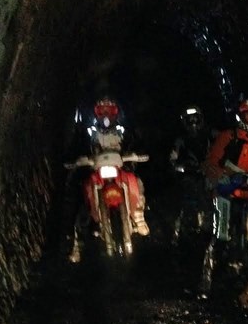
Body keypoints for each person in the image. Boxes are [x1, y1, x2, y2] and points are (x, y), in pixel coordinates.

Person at [64, 93, 149, 262]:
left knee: (135, 181)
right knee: (81, 197)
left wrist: (135, 154)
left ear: (116, 112)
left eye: (109, 110)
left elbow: (135, 142)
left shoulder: (123, 131)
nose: (106, 115)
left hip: (120, 168)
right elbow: (78, 145)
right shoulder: (89, 132)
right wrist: (76, 160)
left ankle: (138, 214)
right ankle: (77, 244)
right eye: (102, 111)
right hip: (96, 171)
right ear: (96, 113)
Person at [200, 98, 248, 291]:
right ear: (242, 117)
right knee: (221, 235)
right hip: (226, 194)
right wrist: (224, 177)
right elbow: (211, 163)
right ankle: (207, 280)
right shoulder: (229, 136)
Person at [168, 105, 213, 244]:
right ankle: (176, 231)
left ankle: (214, 229)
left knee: (213, 200)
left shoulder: (208, 135)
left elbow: (220, 148)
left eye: (196, 119)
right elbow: (173, 157)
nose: (193, 123)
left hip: (207, 174)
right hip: (189, 174)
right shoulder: (181, 140)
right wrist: (176, 165)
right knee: (183, 203)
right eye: (190, 120)